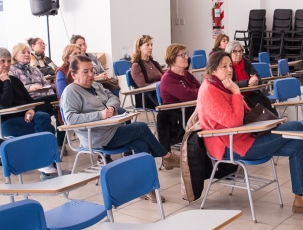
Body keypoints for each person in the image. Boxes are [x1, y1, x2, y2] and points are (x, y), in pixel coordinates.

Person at [196, 51, 303, 215]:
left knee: (298, 144)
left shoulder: (223, 84)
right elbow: (233, 122)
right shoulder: (209, 90)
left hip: (245, 135)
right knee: (295, 127)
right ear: (213, 70)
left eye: (230, 66)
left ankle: (301, 199)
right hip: (231, 145)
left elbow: (245, 112)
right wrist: (237, 92)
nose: (229, 69)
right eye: (224, 66)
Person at [60, 55, 178, 201]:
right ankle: (166, 156)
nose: (91, 75)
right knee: (140, 127)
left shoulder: (96, 86)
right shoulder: (71, 92)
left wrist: (110, 107)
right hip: (97, 137)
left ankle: (145, 188)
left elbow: (114, 98)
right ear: (73, 74)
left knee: (141, 145)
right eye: (85, 72)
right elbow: (70, 119)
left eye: (92, 70)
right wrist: (100, 114)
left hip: (112, 130)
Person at [0, 47, 58, 179]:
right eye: (2, 61)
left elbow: (29, 100)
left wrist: (30, 109)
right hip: (3, 122)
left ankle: (47, 164)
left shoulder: (15, 80)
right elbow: (3, 104)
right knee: (48, 130)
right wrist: (6, 81)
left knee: (44, 117)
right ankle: (47, 164)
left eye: (8, 61)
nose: (6, 65)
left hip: (23, 117)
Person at [157, 43, 200, 155]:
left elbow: (201, 90)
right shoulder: (168, 78)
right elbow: (188, 95)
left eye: (186, 54)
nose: (186, 57)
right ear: (172, 59)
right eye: (182, 55)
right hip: (179, 118)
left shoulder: (186, 74)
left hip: (192, 111)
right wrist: (199, 92)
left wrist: (199, 92)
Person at [225, 40, 277, 114]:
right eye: (235, 52)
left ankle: (277, 122)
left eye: (240, 51)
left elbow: (257, 76)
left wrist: (256, 80)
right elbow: (229, 83)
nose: (239, 54)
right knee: (255, 109)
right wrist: (247, 82)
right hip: (239, 97)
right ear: (229, 53)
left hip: (253, 93)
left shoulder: (246, 62)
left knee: (266, 104)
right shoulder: (227, 66)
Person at [130, 34, 163, 109]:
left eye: (151, 45)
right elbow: (142, 86)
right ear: (139, 48)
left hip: (160, 92)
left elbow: (163, 78)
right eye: (147, 45)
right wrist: (158, 84)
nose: (151, 47)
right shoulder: (136, 66)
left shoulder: (155, 63)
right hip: (147, 97)